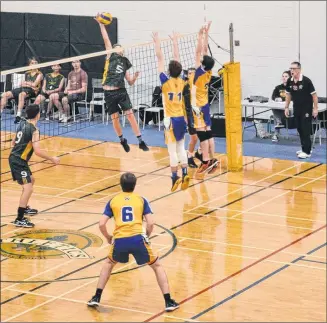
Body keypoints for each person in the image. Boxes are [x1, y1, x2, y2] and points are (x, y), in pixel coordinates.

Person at [87, 172, 179, 312]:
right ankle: (168, 301)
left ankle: (96, 297)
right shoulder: (141, 200)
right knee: (157, 266)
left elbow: (101, 224)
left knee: (108, 264)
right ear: (135, 185)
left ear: (120, 185)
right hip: (138, 239)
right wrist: (146, 236)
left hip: (120, 240)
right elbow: (150, 223)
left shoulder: (113, 201)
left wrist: (108, 237)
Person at [94, 14, 149, 152]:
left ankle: (140, 140)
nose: (119, 48)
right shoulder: (110, 56)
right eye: (117, 47)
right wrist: (101, 24)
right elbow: (106, 39)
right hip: (109, 92)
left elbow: (130, 82)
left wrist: (135, 77)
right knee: (115, 118)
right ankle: (122, 139)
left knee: (130, 115)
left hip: (121, 91)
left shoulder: (125, 62)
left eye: (120, 47)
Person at [8, 104, 60, 228]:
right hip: (18, 161)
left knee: (31, 180)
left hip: (16, 158)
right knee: (28, 188)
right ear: (38, 115)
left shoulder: (21, 123)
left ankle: (24, 207)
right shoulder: (34, 130)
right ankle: (19, 218)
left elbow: (13, 142)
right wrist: (52, 158)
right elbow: (37, 151)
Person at [152, 31, 190, 192]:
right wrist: (175, 41)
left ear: (169, 70)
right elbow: (176, 59)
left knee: (172, 151)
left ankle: (174, 177)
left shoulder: (165, 82)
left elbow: (160, 58)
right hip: (181, 118)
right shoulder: (182, 81)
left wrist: (157, 42)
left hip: (170, 120)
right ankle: (185, 172)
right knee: (181, 148)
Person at [192, 23, 218, 177]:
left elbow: (199, 52)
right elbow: (205, 51)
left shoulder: (198, 73)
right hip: (205, 105)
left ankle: (206, 160)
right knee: (208, 133)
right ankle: (212, 158)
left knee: (202, 135)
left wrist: (199, 35)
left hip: (198, 106)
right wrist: (205, 34)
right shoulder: (208, 71)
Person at [285, 62, 318, 159]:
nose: (292, 71)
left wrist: (315, 108)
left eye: (294, 69)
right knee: (299, 128)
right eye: (291, 69)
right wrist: (286, 107)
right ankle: (305, 148)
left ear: (299, 69)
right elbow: (288, 95)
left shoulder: (306, 81)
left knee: (305, 129)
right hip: (297, 108)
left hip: (306, 109)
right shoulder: (289, 81)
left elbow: (314, 96)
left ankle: (307, 152)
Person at [0, 57, 43, 123]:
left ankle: (18, 115)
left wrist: (27, 83)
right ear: (29, 65)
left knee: (21, 95)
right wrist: (29, 84)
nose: (34, 64)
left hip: (33, 91)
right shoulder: (27, 73)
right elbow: (21, 84)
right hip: (23, 89)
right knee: (4, 95)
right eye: (32, 63)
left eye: (35, 63)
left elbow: (34, 85)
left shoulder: (40, 74)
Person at [184, 67, 203, 168]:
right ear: (187, 75)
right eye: (190, 73)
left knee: (206, 135)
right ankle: (190, 157)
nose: (192, 75)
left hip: (198, 113)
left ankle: (199, 153)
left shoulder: (198, 85)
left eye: (193, 73)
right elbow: (181, 103)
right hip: (189, 114)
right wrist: (185, 117)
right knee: (194, 138)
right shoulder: (185, 86)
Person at [271, 70, 291, 142]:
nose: (284, 78)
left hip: (289, 110)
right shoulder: (278, 87)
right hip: (280, 109)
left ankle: (277, 129)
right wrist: (276, 98)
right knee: (273, 108)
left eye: (286, 76)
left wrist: (282, 98)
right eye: (283, 76)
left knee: (276, 117)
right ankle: (278, 127)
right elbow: (273, 96)